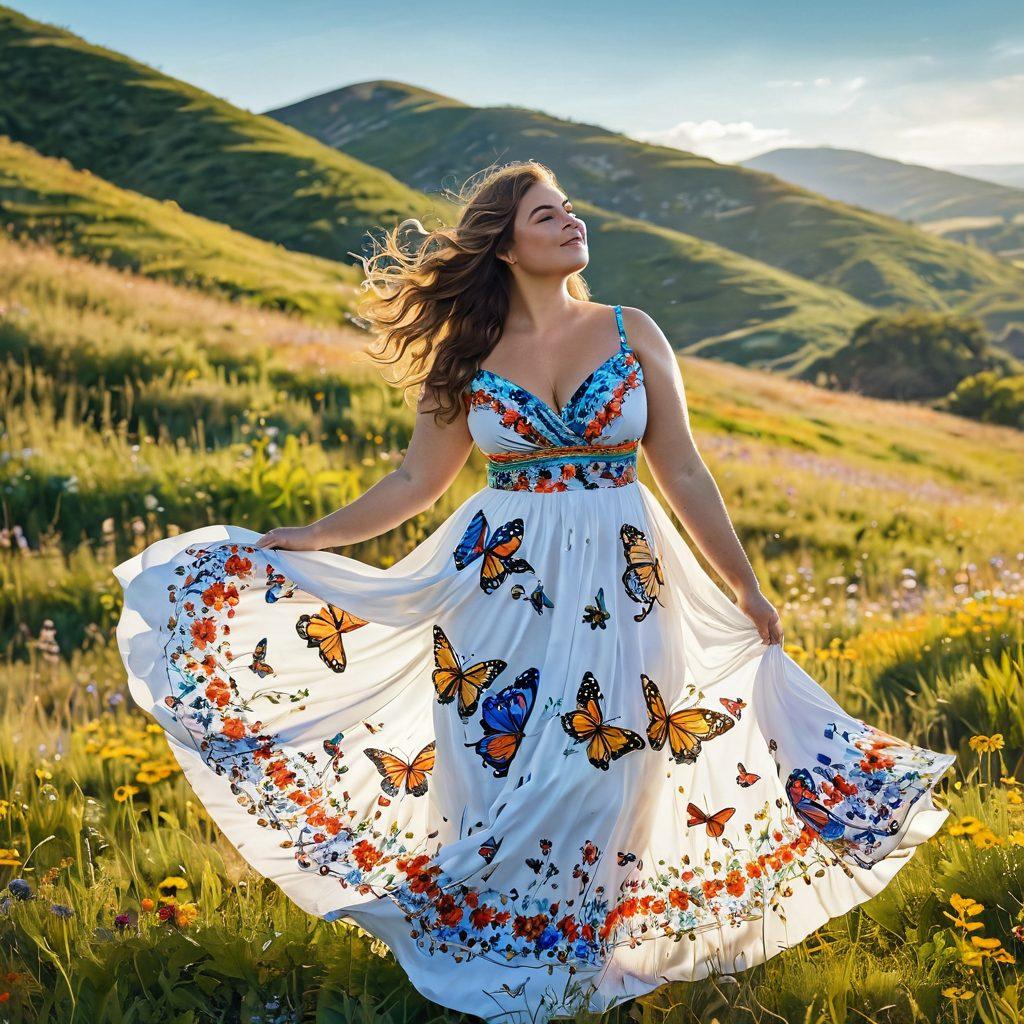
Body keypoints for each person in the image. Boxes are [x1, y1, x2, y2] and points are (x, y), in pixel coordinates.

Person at [113, 160, 956, 1024]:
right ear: (506, 247)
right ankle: (514, 969)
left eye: (569, 210)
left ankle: (582, 973)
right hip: (496, 597)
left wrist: (745, 587)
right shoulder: (467, 355)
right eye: (547, 215)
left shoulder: (632, 329)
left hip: (628, 592)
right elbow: (415, 480)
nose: (570, 222)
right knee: (495, 776)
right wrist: (311, 538)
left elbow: (685, 471)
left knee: (606, 771)